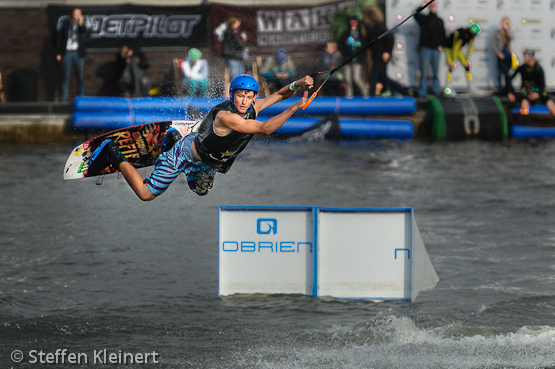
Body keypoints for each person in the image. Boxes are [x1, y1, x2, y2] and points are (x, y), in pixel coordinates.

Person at [86, 73, 314, 201]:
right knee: (146, 194)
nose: (243, 101)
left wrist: (298, 84)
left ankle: (173, 137)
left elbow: (279, 95)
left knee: (201, 191)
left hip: (208, 160)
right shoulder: (227, 117)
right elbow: (265, 129)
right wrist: (296, 107)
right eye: (239, 95)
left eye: (248, 96)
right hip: (185, 156)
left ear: (254, 97)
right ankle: (111, 151)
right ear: (232, 95)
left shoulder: (254, 106)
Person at [362, 6, 410, 97]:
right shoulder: (369, 28)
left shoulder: (379, 27)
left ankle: (371, 96)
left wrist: (387, 52)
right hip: (376, 56)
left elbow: (390, 38)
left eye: (366, 17)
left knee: (374, 76)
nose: (364, 19)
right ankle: (403, 90)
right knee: (383, 78)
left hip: (381, 56)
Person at [55, 7, 89, 102]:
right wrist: (58, 53)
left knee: (80, 77)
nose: (76, 16)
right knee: (66, 77)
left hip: (78, 53)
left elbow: (86, 32)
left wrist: (81, 22)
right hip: (67, 53)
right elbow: (59, 38)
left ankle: (81, 99)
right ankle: (64, 100)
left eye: (78, 14)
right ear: (72, 14)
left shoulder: (81, 24)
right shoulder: (65, 23)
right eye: (75, 14)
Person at [508, 49, 555, 115]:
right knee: (524, 100)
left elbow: (542, 85)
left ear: (531, 57)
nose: (524, 58)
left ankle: (553, 112)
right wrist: (510, 92)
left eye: (526, 56)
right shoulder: (521, 68)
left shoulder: (538, 69)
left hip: (538, 91)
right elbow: (509, 79)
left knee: (548, 100)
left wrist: (538, 94)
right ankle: (524, 114)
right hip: (526, 91)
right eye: (524, 56)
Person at [414, 0, 445, 97]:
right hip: (425, 49)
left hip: (435, 50)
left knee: (435, 73)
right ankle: (422, 93)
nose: (432, 8)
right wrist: (423, 5)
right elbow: (415, 14)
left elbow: (442, 35)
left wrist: (441, 45)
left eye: (434, 6)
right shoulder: (424, 19)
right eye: (431, 6)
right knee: (424, 73)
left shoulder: (439, 20)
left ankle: (436, 90)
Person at [443, 22, 481, 95]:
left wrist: (467, 59)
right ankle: (448, 88)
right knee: (452, 66)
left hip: (457, 49)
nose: (475, 36)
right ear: (472, 32)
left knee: (467, 66)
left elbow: (470, 47)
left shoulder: (471, 36)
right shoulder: (462, 34)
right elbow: (455, 47)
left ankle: (471, 87)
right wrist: (453, 61)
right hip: (449, 47)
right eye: (475, 34)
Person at [338, 19, 368, 97]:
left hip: (357, 61)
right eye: (351, 25)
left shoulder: (361, 35)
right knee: (347, 79)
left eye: (354, 26)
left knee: (356, 78)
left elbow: (364, 47)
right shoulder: (345, 34)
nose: (353, 27)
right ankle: (349, 96)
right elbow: (341, 46)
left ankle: (366, 94)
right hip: (347, 60)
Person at [491, 17, 514, 96]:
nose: (502, 25)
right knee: (500, 73)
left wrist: (507, 29)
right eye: (502, 23)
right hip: (500, 54)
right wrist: (498, 53)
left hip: (507, 54)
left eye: (504, 23)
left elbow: (512, 37)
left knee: (507, 73)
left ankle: (507, 89)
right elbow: (493, 44)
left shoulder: (508, 32)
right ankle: (500, 89)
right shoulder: (497, 33)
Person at [221, 15, 248, 80]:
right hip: (233, 56)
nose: (239, 23)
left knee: (239, 76)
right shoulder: (233, 32)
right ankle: (235, 89)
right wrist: (244, 42)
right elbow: (239, 44)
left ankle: (238, 89)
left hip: (235, 56)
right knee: (236, 77)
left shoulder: (229, 32)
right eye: (237, 21)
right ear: (233, 22)